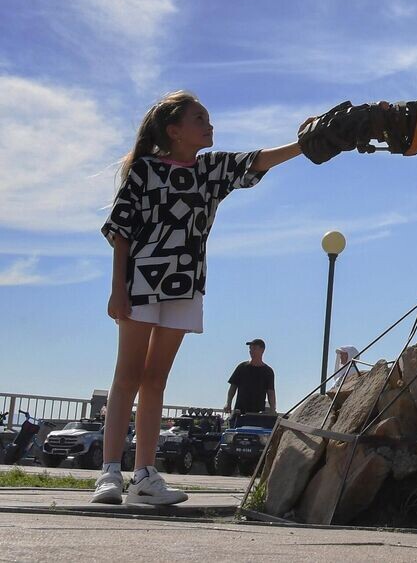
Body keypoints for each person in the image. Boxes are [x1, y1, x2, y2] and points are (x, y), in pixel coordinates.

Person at [92, 91, 305, 505]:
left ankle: (145, 476)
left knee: (156, 380)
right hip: (140, 283)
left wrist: (306, 144)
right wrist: (117, 289)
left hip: (186, 286)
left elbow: (256, 160)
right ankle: (109, 473)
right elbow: (120, 230)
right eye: (199, 118)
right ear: (174, 131)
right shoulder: (144, 170)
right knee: (128, 376)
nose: (209, 124)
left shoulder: (211, 169)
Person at [225, 339, 277, 415]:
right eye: (250, 349)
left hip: (258, 413)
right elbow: (233, 387)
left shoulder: (268, 371)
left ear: (262, 350)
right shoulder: (242, 367)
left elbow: (271, 392)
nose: (251, 351)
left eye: (254, 348)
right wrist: (228, 403)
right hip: (240, 411)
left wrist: (272, 409)